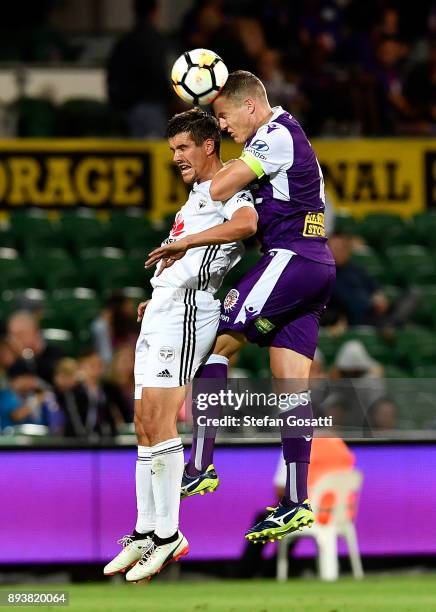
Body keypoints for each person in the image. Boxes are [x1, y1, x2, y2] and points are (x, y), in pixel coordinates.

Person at [146, 70, 336, 545]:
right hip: (316, 265)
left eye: (226, 117)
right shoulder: (287, 134)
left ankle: (199, 465)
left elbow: (219, 188)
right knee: (291, 387)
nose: (224, 128)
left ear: (250, 106)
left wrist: (227, 170)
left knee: (218, 345)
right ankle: (295, 501)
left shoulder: (273, 134)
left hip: (291, 256)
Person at [103, 108, 257, 582]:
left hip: (191, 310)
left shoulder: (227, 186)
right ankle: (146, 530)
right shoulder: (193, 197)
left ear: (209, 144)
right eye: (173, 150)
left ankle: (170, 534)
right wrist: (158, 296)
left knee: (162, 418)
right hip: (165, 308)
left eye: (184, 148)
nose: (177, 158)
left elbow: (248, 224)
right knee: (143, 422)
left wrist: (187, 248)